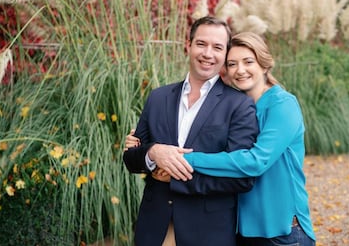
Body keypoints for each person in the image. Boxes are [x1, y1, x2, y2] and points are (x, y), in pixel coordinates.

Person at [126, 32, 316, 245]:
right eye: (232, 64)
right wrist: (149, 147)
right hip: (243, 231)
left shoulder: (282, 104)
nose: (240, 70)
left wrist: (181, 160)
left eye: (248, 62)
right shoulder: (238, 106)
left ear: (264, 64)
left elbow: (256, 162)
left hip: (281, 232)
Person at [123, 16, 259, 246]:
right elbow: (131, 158)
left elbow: (242, 178)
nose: (208, 53)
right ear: (188, 45)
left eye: (217, 47)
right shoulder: (158, 97)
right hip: (154, 227)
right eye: (201, 44)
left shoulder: (239, 104)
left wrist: (175, 176)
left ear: (225, 54)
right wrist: (154, 152)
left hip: (207, 232)